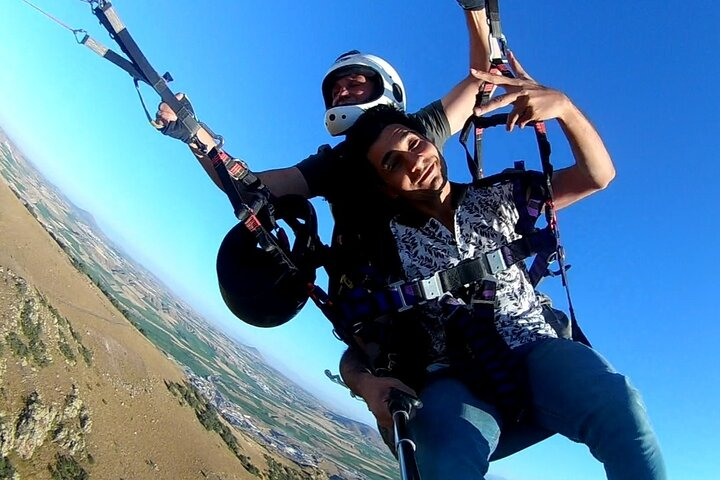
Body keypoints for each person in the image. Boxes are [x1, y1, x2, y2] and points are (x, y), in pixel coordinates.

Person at [336, 52, 666, 480]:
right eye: (392, 163)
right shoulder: (384, 247)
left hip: (534, 345)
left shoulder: (502, 197)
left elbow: (597, 175)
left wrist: (563, 107)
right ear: (388, 189)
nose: (414, 161)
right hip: (453, 378)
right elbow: (358, 344)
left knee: (621, 410)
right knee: (444, 464)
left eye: (415, 143)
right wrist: (366, 385)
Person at [153, 1, 493, 203]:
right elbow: (253, 187)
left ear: (385, 87)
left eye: (353, 84)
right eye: (334, 91)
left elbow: (481, 78)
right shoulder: (336, 164)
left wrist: (475, 8)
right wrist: (194, 134)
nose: (340, 93)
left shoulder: (419, 131)